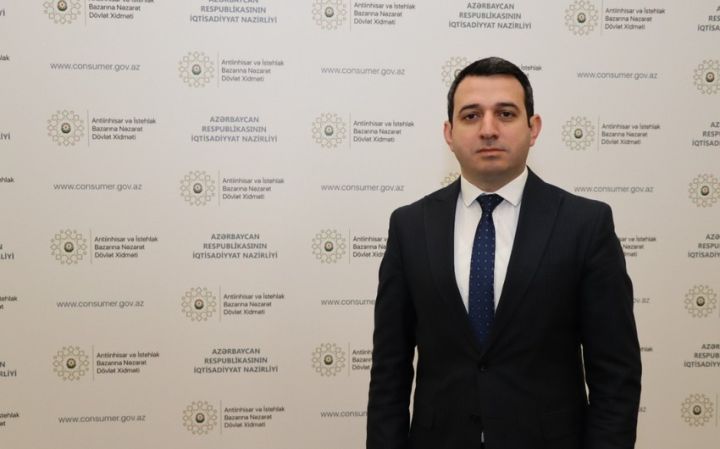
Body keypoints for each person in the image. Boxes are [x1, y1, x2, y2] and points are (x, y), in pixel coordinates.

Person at [366, 57, 641, 449]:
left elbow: (616, 375)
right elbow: (389, 373)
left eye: (506, 114)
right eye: (471, 115)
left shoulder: (585, 225)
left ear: (533, 128)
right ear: (449, 132)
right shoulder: (409, 227)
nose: (488, 129)